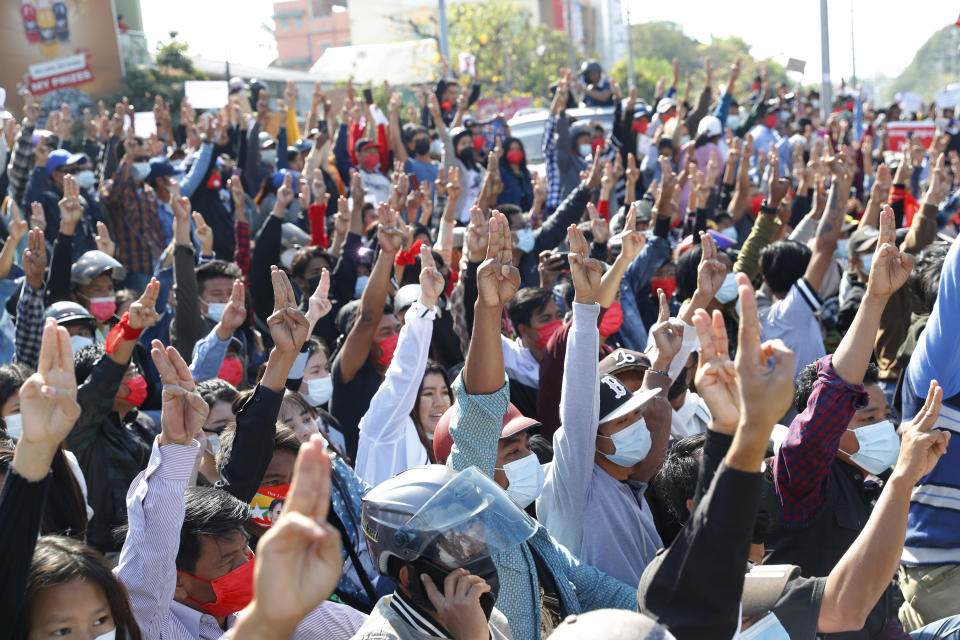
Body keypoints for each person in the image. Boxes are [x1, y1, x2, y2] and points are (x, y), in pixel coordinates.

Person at [433, 212, 638, 639]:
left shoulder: (532, 536)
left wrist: (672, 606)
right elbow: (481, 412)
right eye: (511, 451)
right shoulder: (468, 541)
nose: (529, 458)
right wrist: (488, 309)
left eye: (526, 446)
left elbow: (599, 590)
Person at [114, 332, 366, 638]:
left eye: (246, 552)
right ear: (177, 581)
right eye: (229, 561)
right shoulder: (151, 623)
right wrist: (176, 447)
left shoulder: (268, 604)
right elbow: (152, 550)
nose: (248, 566)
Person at [355, 464, 525, 639]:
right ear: (408, 577)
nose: (478, 561)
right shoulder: (384, 637)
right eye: (458, 550)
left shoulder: (490, 620)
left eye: (479, 546)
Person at [354, 244, 445, 486]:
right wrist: (425, 305)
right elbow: (403, 377)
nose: (439, 402)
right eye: (426, 393)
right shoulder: (384, 427)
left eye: (445, 392)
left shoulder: (450, 449)